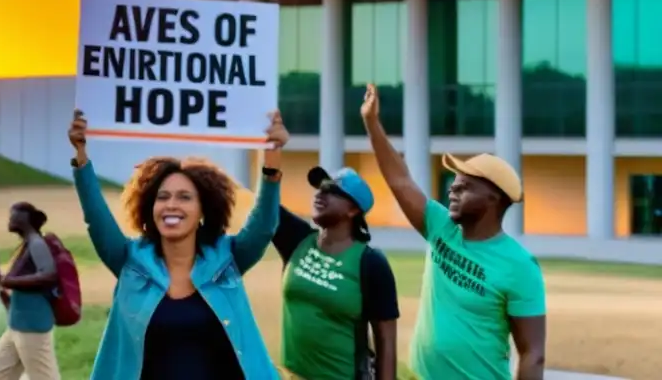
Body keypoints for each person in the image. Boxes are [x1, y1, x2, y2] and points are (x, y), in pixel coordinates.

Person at [69, 107, 288, 380]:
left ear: (203, 209)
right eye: (163, 197)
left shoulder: (227, 258)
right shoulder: (129, 260)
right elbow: (95, 216)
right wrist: (80, 157)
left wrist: (272, 162)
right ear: (150, 207)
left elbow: (264, 225)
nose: (171, 205)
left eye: (185, 197)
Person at [358, 83, 546, 380]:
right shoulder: (441, 226)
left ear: (493, 199)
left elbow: (533, 354)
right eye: (453, 182)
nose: (452, 188)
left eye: (465, 185)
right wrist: (372, 123)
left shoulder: (520, 266)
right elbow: (400, 180)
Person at [272, 165, 399, 380]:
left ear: (353, 210)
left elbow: (386, 343)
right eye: (320, 188)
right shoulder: (297, 239)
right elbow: (265, 204)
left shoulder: (370, 263)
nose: (321, 194)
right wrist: (271, 161)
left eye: (333, 191)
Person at [0, 202, 61, 380]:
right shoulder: (27, 245)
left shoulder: (36, 243)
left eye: (13, 215)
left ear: (24, 219)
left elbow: (49, 275)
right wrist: (5, 287)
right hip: (16, 325)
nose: (9, 219)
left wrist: (9, 281)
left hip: (32, 327)